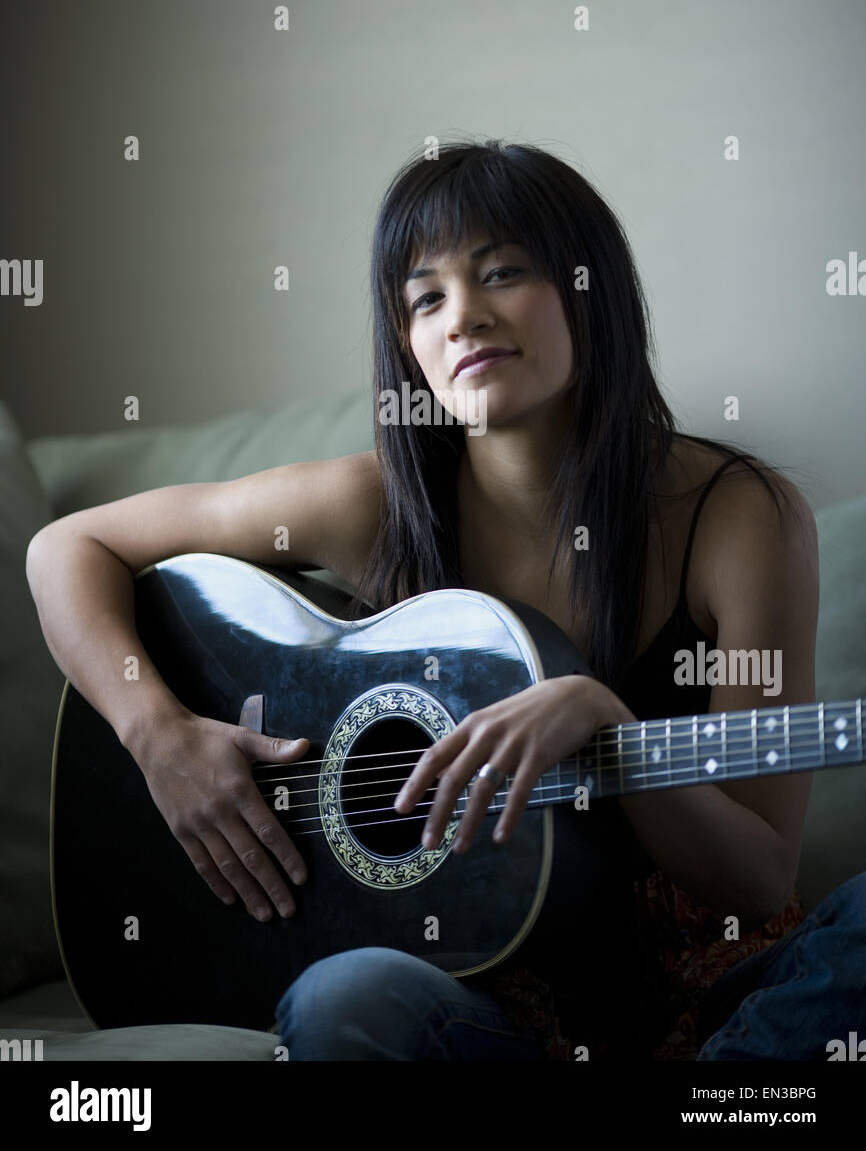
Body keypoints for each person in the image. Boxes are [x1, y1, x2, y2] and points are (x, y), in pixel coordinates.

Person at [26, 138, 846, 1062]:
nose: (463, 317)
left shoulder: (738, 517)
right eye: (426, 297)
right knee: (347, 996)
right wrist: (159, 736)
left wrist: (601, 728)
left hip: (714, 1000)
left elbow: (758, 871)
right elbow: (66, 548)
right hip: (491, 1010)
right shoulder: (371, 507)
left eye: (501, 273)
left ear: (590, 290)